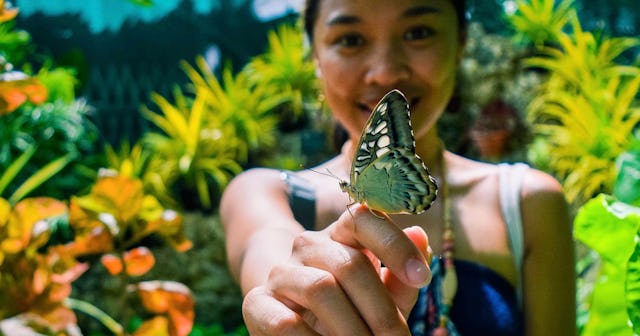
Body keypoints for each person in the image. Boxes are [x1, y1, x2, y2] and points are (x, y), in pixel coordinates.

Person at [220, 0, 576, 335]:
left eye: (418, 32)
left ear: (461, 42)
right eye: (351, 39)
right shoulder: (264, 193)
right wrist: (285, 294)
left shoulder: (528, 202)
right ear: (315, 55)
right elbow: (268, 250)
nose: (385, 71)